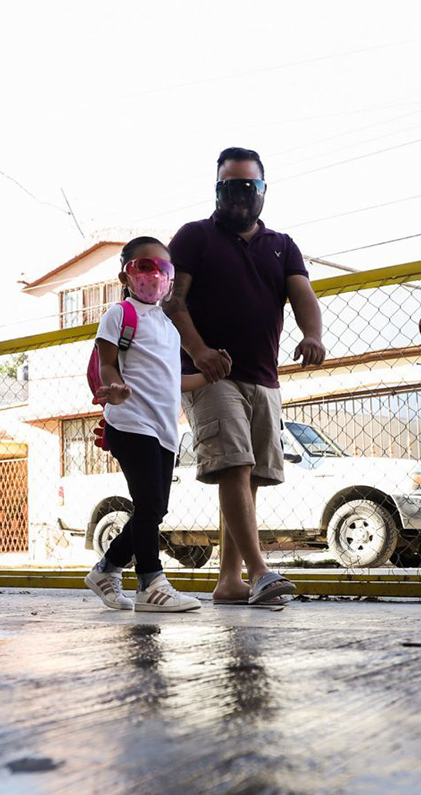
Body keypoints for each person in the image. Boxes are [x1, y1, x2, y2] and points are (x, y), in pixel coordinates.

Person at [164, 147, 325, 606]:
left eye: (246, 186)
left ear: (262, 191)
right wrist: (199, 351)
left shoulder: (282, 245)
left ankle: (229, 581)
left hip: (263, 377)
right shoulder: (195, 236)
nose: (236, 195)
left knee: (248, 479)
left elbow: (303, 295)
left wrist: (312, 335)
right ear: (217, 191)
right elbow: (175, 302)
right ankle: (260, 573)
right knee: (233, 465)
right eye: (227, 187)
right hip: (208, 376)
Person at [83, 237, 220, 613]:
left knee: (154, 509)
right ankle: (151, 583)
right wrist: (112, 386)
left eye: (164, 269)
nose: (155, 275)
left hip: (164, 431)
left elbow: (175, 381)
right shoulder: (119, 315)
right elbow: (108, 363)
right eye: (145, 266)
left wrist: (211, 375)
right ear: (125, 274)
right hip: (129, 422)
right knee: (149, 503)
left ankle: (107, 568)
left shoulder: (169, 326)